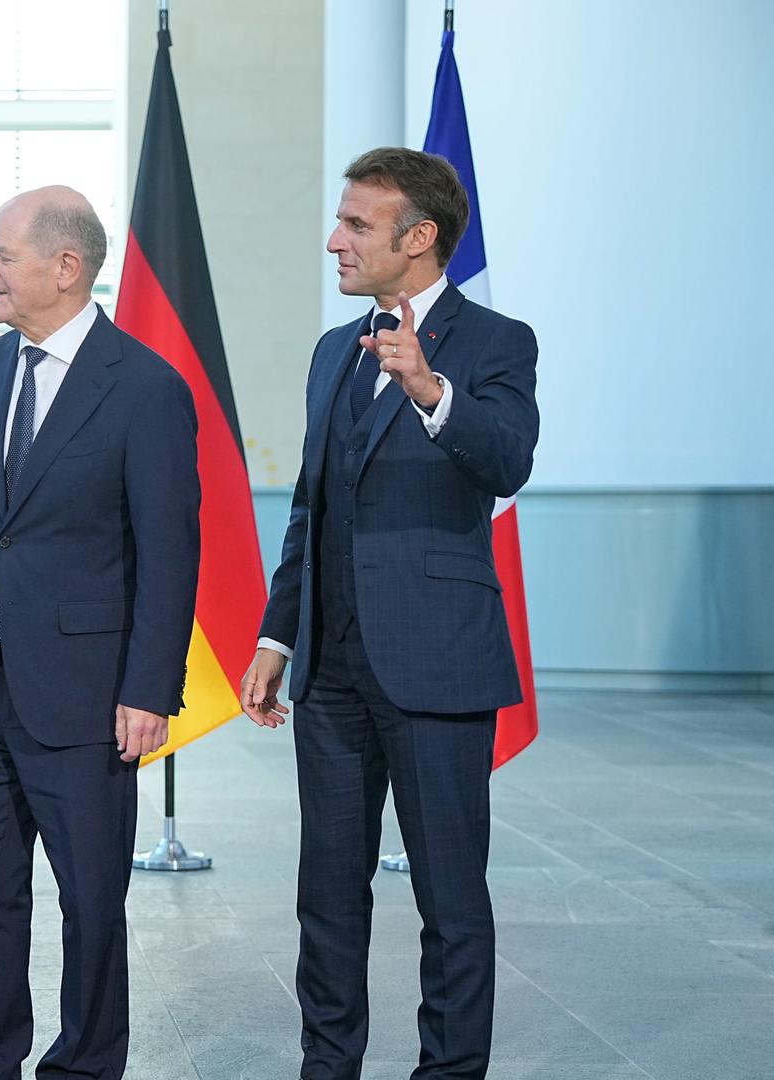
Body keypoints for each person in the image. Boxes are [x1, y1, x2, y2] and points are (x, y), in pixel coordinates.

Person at [239, 147, 539, 1080]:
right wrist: (276, 635)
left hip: (438, 664)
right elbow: (311, 503)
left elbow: (506, 462)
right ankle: (327, 1066)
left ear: (419, 239)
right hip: (329, 671)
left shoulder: (497, 342)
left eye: (356, 225)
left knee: (450, 894)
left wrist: (429, 389)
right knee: (326, 892)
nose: (335, 240)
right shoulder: (335, 349)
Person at [0, 186, 201, 1080]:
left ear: (65, 268)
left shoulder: (146, 388)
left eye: (1, 255)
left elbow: (170, 556)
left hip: (90, 698)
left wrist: (150, 690)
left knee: (90, 903)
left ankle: (84, 1066)